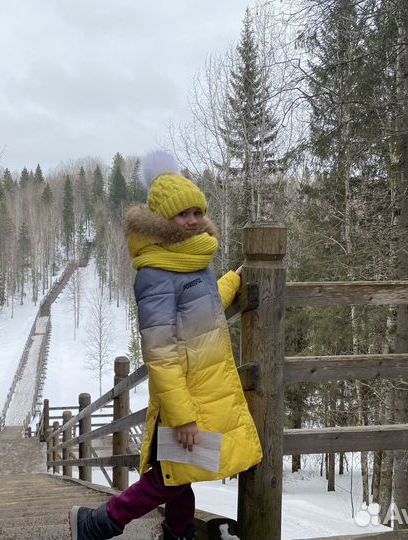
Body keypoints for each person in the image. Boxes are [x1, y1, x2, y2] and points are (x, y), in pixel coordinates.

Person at [68, 151, 263, 540]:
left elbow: (202, 307)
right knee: (171, 475)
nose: (192, 220)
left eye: (197, 212)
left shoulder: (193, 260)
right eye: (182, 214)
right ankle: (97, 524)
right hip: (186, 395)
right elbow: (160, 353)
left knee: (178, 470)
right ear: (163, 221)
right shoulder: (156, 272)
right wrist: (184, 416)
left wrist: (233, 280)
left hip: (203, 388)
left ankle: (177, 532)